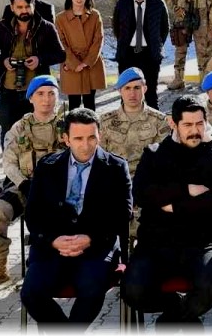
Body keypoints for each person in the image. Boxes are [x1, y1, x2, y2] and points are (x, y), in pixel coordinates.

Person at [124, 97, 212, 326]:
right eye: (188, 125)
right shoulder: (154, 154)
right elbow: (142, 194)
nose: (195, 131)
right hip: (157, 241)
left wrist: (173, 205)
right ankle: (180, 311)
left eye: (199, 124)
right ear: (172, 124)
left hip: (204, 241)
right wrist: (187, 189)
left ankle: (169, 323)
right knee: (133, 290)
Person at [19, 108, 133, 326]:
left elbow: (122, 213)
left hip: (96, 247)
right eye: (78, 138)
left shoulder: (116, 167)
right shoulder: (47, 166)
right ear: (66, 139)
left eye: (92, 137)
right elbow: (33, 213)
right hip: (52, 247)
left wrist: (90, 237)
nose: (86, 144)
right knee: (31, 293)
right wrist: (53, 239)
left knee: (92, 288)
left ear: (100, 135)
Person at [0, 76, 67, 291]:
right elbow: (8, 163)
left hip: (60, 189)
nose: (46, 99)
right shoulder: (19, 128)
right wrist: (23, 183)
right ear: (31, 98)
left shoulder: (67, 125)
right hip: (24, 186)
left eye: (51, 93)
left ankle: (54, 266)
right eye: (40, 94)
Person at [0, 0, 66, 143]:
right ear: (12, 7)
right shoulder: (3, 27)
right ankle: (9, 165)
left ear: (33, 5)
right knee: (8, 131)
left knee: (38, 130)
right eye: (19, 7)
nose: (24, 11)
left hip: (36, 91)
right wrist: (4, 61)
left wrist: (39, 59)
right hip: (9, 90)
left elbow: (61, 54)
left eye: (27, 7)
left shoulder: (46, 27)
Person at [100, 67, 170, 237]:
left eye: (137, 88)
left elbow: (163, 162)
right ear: (119, 91)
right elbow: (99, 160)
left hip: (147, 187)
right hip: (114, 187)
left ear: (145, 89)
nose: (132, 93)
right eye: (127, 88)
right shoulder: (105, 122)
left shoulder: (159, 122)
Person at [113, 0, 170, 109]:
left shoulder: (158, 4)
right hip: (127, 55)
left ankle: (154, 129)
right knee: (127, 96)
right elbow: (116, 28)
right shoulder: (122, 4)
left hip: (150, 55)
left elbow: (164, 28)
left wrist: (156, 45)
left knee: (151, 95)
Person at [54, 0, 105, 110]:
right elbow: (61, 42)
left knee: (90, 103)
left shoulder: (95, 15)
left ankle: (92, 129)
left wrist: (87, 62)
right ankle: (72, 129)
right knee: (73, 103)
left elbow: (98, 39)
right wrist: (74, 63)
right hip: (70, 64)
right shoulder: (61, 18)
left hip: (91, 63)